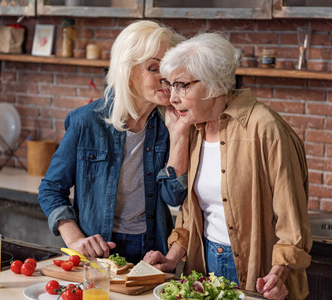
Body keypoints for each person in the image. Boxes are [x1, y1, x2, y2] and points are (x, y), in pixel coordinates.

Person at [143, 32, 312, 300]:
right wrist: (173, 257)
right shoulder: (195, 128)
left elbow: (292, 221)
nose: (172, 97)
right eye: (170, 85)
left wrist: (279, 274)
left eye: (182, 85)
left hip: (256, 273)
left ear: (214, 85)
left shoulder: (265, 129)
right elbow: (191, 211)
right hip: (203, 265)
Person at [38, 20, 189, 264]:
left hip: (152, 250)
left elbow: (173, 197)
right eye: (153, 68)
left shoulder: (171, 124)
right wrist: (75, 240)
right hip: (96, 251)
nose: (166, 78)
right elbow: (51, 189)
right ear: (128, 73)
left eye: (168, 68)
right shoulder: (86, 121)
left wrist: (180, 134)